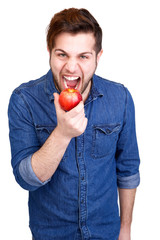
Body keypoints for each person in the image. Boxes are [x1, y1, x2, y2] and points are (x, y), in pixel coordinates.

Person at [8, 8, 140, 240]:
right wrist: (62, 134)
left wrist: (125, 229)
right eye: (62, 55)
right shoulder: (24, 100)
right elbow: (26, 179)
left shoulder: (120, 98)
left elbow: (127, 169)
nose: (71, 67)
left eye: (83, 56)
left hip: (106, 233)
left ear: (98, 57)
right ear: (49, 52)